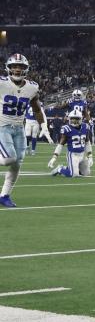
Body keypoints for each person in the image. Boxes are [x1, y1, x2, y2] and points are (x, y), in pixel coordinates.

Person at [0, 54, 50, 207]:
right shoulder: (2, 83)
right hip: (2, 126)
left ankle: (4, 195)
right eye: (14, 66)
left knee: (17, 164)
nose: (17, 69)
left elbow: (36, 109)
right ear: (8, 68)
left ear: (26, 69)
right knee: (9, 159)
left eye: (20, 66)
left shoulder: (32, 87)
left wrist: (43, 125)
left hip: (19, 128)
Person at [48, 109, 93, 178]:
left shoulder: (85, 127)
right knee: (74, 174)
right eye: (72, 119)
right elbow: (60, 145)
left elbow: (87, 142)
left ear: (81, 119)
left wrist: (90, 156)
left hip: (82, 154)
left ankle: (73, 168)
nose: (74, 121)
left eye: (76, 119)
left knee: (86, 173)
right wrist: (54, 157)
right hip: (73, 154)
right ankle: (60, 169)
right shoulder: (67, 129)